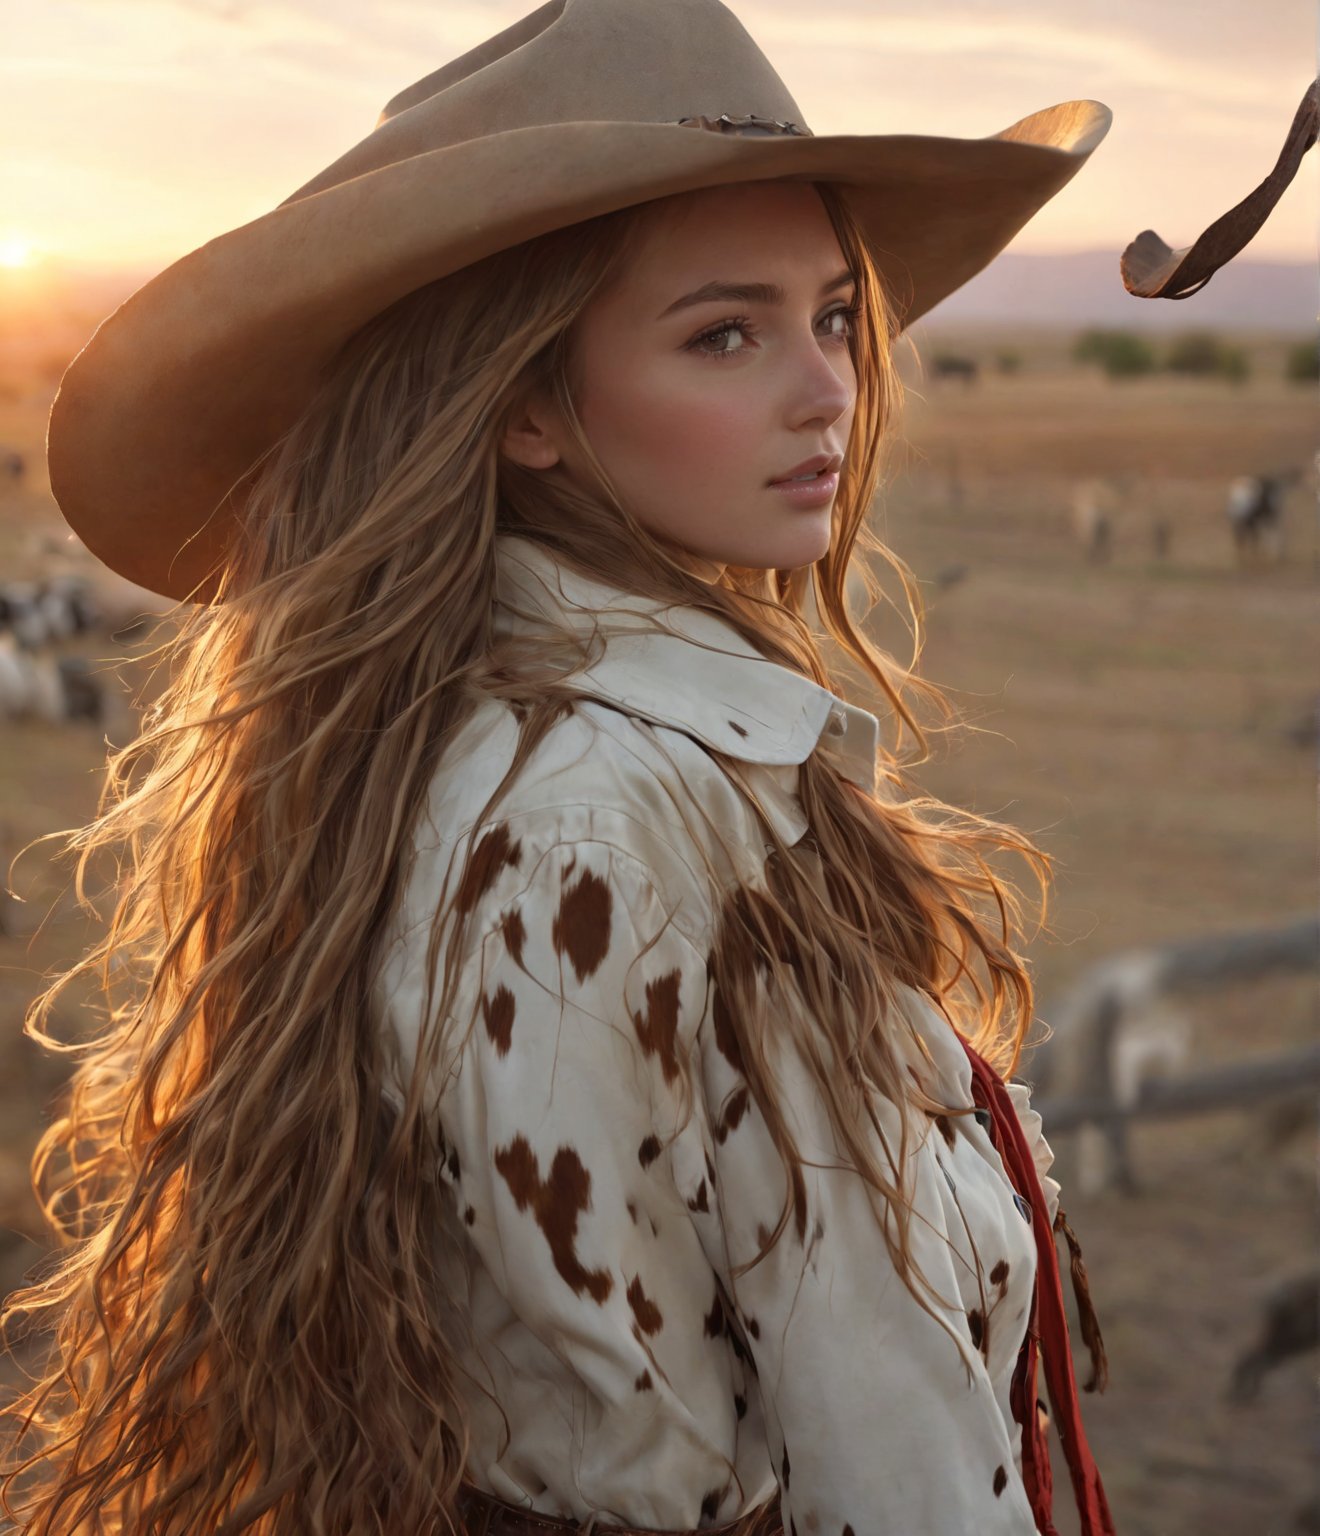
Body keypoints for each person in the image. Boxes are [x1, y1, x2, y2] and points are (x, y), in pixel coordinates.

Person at [1, 2, 1118, 1532]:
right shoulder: (605, 808)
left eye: (834, 317)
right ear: (524, 402)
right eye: (726, 332)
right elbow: (829, 1459)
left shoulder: (521, 744)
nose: (825, 388)